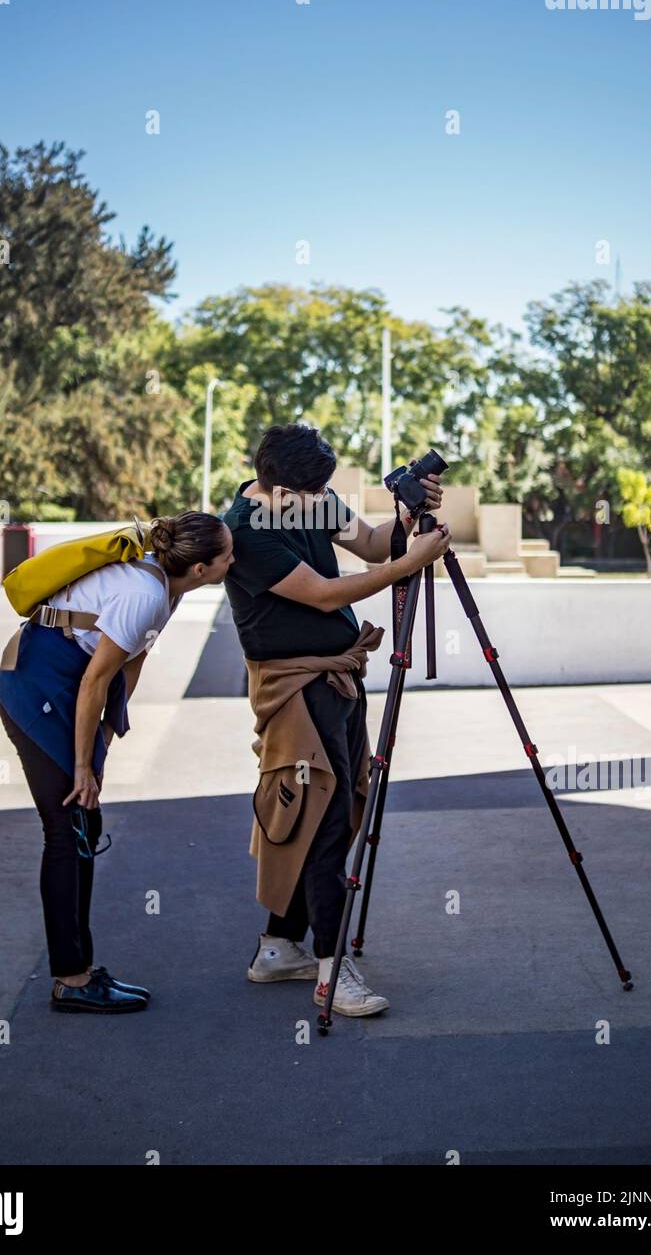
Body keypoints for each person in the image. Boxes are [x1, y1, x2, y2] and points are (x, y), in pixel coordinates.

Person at [223, 424, 450, 1016]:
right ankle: (329, 969)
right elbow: (324, 594)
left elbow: (374, 545)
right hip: (294, 687)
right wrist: (412, 565)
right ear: (278, 486)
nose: (321, 501)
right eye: (311, 492)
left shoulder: (310, 497)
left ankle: (278, 946)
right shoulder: (246, 532)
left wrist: (406, 519)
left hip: (336, 675)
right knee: (319, 818)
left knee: (342, 805)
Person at [0, 511, 234, 1014]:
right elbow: (94, 682)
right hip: (37, 684)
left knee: (83, 822)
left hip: (63, 683)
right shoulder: (146, 594)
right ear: (200, 569)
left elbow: (133, 662)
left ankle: (77, 969)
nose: (234, 561)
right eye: (227, 556)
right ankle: (72, 978)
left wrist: (106, 737)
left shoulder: (168, 590)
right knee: (67, 826)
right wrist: (84, 766)